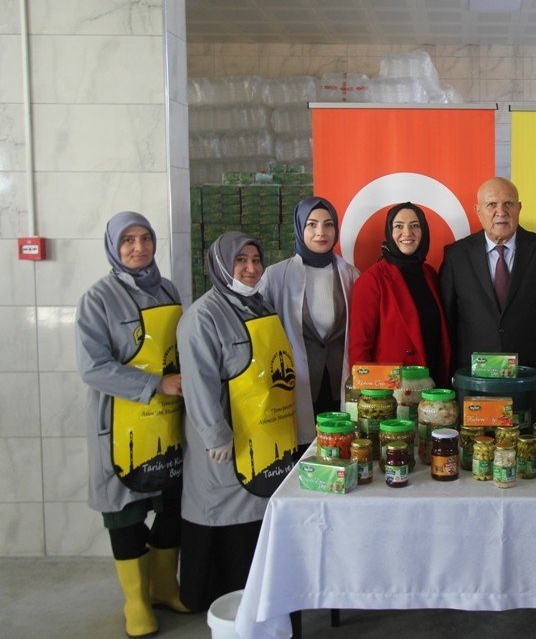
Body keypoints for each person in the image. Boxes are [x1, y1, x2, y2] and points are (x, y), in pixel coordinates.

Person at [75, 211, 189, 637]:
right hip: (121, 425)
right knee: (125, 514)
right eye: (128, 241)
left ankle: (164, 586)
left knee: (172, 505)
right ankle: (136, 602)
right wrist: (157, 383)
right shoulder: (98, 299)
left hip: (168, 421)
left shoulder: (168, 290)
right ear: (113, 247)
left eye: (145, 239)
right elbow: (93, 368)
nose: (138, 248)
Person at [177, 232, 299, 611]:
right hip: (225, 442)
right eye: (240, 261)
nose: (250, 269)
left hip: (263, 437)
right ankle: (220, 602)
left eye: (255, 260)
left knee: (255, 520)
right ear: (220, 264)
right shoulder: (202, 316)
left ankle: (255, 602)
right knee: (224, 517)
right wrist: (216, 435)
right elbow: (198, 384)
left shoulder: (260, 305)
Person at [440, 177, 536, 419]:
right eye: (492, 205)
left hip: (529, 384)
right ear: (477, 211)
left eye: (508, 204)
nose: (501, 212)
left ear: (519, 208)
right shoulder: (456, 256)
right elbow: (446, 326)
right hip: (473, 384)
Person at [262, 197, 358, 447]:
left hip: (337, 377)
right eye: (312, 224)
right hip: (297, 379)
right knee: (302, 446)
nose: (320, 233)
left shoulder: (351, 274)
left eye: (328, 225)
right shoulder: (276, 275)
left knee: (339, 442)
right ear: (299, 227)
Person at [349, 202, 451, 384]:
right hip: (391, 392)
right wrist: (365, 396)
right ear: (389, 232)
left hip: (433, 386)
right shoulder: (371, 280)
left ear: (424, 231)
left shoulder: (430, 274)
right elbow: (359, 347)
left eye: (415, 225)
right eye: (399, 226)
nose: (407, 233)